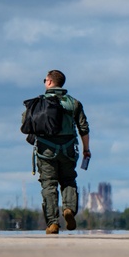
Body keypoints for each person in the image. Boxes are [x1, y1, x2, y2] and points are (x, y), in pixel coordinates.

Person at [25, 70, 90, 235]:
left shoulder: (37, 103)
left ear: (48, 82)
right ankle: (68, 209)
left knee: (49, 184)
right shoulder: (74, 103)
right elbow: (83, 128)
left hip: (45, 150)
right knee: (68, 180)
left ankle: (53, 223)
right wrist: (86, 149)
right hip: (68, 149)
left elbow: (25, 123)